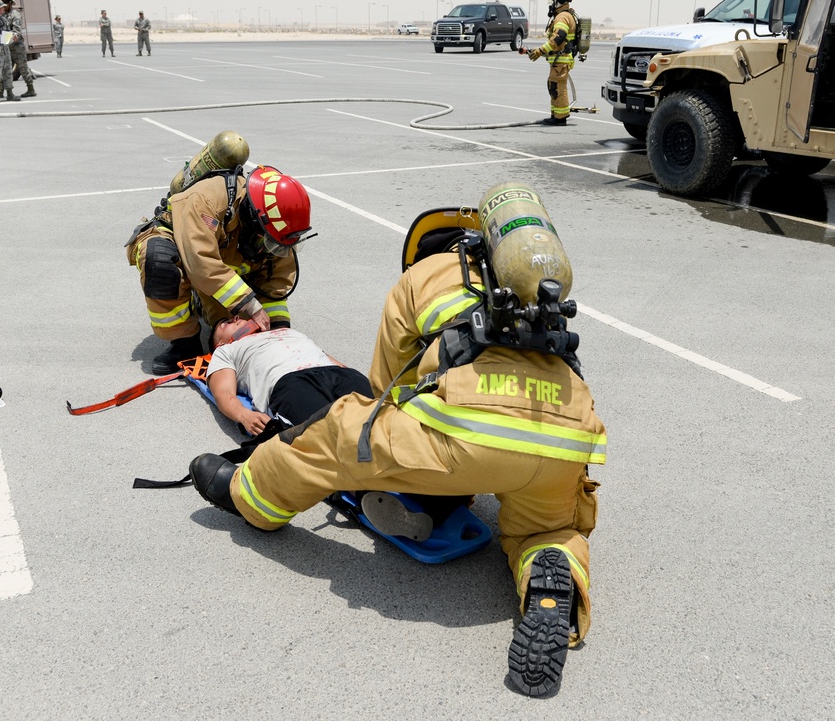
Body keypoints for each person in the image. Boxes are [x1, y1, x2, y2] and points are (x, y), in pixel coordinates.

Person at [189, 183, 607, 697]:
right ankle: (548, 575)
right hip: (566, 439)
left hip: (468, 433)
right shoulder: (534, 288)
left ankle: (252, 499)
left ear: (425, 252)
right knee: (548, 527)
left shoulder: (422, 279)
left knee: (339, 431)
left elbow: (386, 389)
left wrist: (428, 460)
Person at [126, 164, 314, 376]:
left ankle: (205, 304)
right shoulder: (205, 199)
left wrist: (279, 331)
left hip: (218, 263)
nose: (276, 248)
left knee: (232, 328)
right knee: (158, 260)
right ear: (254, 217)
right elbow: (200, 262)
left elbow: (277, 277)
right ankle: (184, 343)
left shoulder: (276, 221)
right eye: (272, 241)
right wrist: (251, 306)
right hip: (184, 246)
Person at [207, 317, 372, 435]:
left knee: (379, 420)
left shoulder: (287, 332)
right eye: (225, 323)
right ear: (219, 343)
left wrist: (351, 375)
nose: (235, 318)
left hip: (337, 373)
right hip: (291, 382)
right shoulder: (226, 350)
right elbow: (223, 393)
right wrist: (244, 416)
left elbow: (327, 358)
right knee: (325, 434)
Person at [526, 0, 578, 126]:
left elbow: (558, 38)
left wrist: (539, 51)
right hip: (559, 60)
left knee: (557, 87)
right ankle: (556, 114)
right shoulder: (566, 15)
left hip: (561, 61)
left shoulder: (562, 17)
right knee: (553, 86)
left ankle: (560, 118)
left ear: (556, 0)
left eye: (552, 0)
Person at [0, 0, 36, 98]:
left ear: (10, 3)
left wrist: (6, 41)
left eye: (5, 2)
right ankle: (0, 91)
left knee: (23, 68)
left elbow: (17, 32)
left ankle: (30, 89)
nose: (3, 5)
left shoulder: (15, 15)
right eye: (1, 2)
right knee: (3, 69)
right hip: (5, 47)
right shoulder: (0, 15)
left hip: (16, 47)